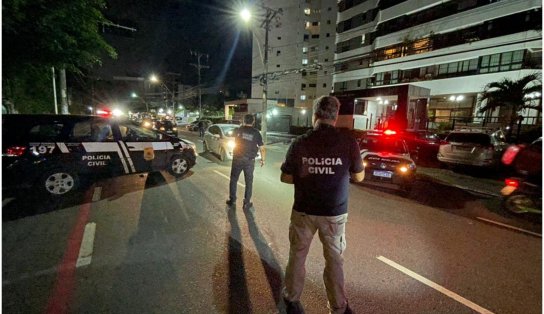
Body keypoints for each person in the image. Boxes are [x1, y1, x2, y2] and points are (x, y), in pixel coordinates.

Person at [280, 95, 364, 314]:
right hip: (334, 214)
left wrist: (308, 173)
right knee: (335, 260)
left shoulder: (300, 142)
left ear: (314, 115)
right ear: (335, 117)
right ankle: (338, 305)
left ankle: (291, 297)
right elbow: (359, 177)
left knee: (297, 256)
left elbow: (286, 177)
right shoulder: (348, 142)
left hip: (304, 212)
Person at [226, 114, 266, 210]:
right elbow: (262, 148)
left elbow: (229, 134)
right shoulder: (256, 133)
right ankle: (246, 203)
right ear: (253, 122)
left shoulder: (238, 130)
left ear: (244, 120)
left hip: (237, 159)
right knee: (249, 182)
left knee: (233, 180)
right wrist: (263, 160)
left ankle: (232, 200)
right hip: (249, 161)